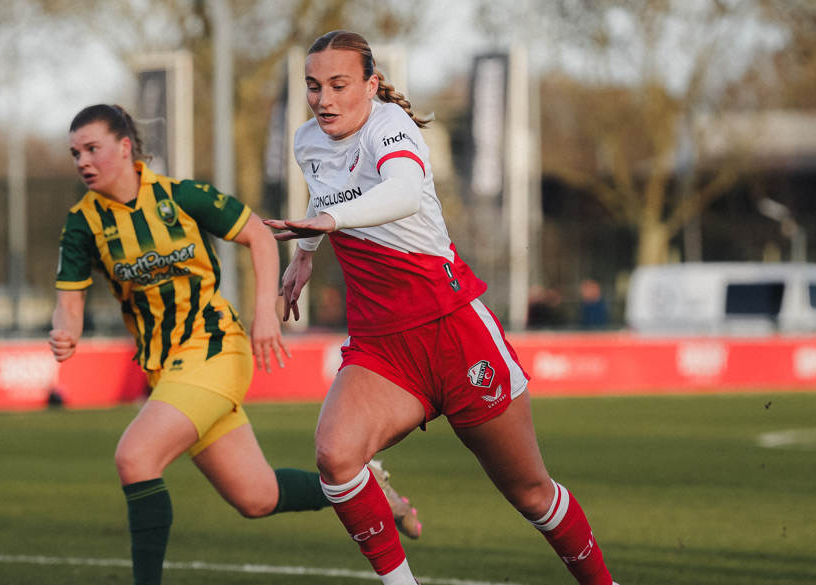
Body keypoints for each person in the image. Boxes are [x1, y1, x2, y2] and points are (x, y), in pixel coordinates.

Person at [264, 31, 618, 585]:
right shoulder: (308, 140)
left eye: (338, 85)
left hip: (452, 331)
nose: (323, 100)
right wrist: (305, 254)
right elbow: (324, 190)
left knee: (531, 493)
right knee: (335, 456)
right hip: (381, 345)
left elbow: (403, 192)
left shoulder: (390, 126)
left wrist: (329, 223)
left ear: (371, 85)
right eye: (313, 86)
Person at [48, 104, 418, 585]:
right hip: (167, 371)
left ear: (123, 147)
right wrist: (65, 331)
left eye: (91, 149)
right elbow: (69, 303)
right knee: (257, 497)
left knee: (135, 458)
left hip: (215, 349)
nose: (82, 161)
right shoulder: (82, 223)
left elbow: (258, 235)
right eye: (75, 153)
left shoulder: (179, 196)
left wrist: (264, 311)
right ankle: (367, 487)